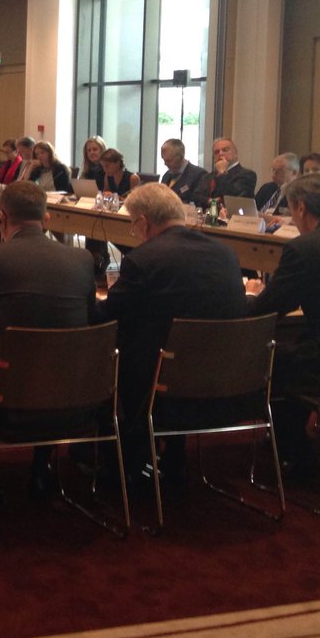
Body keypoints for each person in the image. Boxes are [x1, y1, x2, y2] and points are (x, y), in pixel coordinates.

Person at [0, 181, 97, 496]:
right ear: (47, 218)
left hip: (3, 404)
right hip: (73, 395)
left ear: (1, 217)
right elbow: (90, 322)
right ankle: (41, 466)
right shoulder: (82, 260)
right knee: (48, 360)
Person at [94, 183, 245, 480]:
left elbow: (108, 314)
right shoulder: (226, 254)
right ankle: (172, 454)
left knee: (113, 354)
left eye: (132, 225)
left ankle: (123, 464)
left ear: (143, 222)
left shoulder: (144, 259)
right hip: (223, 376)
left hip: (158, 383)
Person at [247, 173, 320, 478]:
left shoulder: (305, 248)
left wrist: (250, 295)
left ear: (300, 207)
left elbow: (269, 309)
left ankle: (295, 452)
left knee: (270, 362)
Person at [192, 137, 257, 207]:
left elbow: (231, 197)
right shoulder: (208, 176)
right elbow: (196, 197)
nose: (220, 154)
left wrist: (222, 172)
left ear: (235, 153)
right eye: (216, 152)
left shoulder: (247, 175)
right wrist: (211, 201)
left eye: (225, 150)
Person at [158, 138, 207, 204]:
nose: (165, 164)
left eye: (169, 160)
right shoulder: (166, 175)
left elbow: (198, 201)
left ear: (180, 157)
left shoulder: (199, 175)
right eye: (164, 160)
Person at [254, 153, 299, 217]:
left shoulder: (298, 193)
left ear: (294, 173)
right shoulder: (266, 188)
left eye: (279, 171)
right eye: (273, 170)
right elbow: (252, 209)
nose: (274, 174)